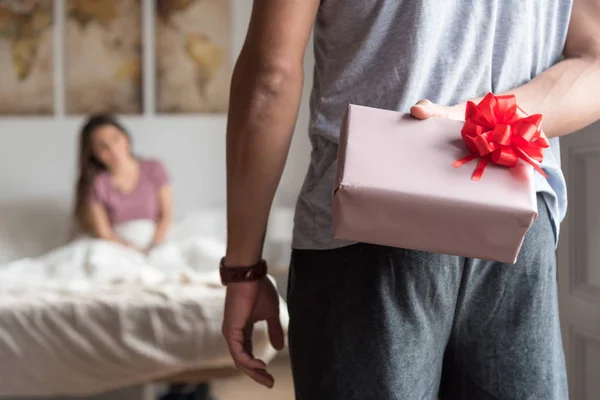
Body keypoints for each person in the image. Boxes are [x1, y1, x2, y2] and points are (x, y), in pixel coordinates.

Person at [221, 1, 600, 399]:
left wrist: (242, 269)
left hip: (370, 217)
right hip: (515, 215)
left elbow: (271, 78)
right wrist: (483, 123)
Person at [75, 115, 215, 400]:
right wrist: (128, 249)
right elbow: (104, 232)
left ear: (126, 138)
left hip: (155, 238)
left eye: (115, 139)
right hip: (118, 245)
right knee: (95, 265)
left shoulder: (153, 169)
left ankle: (188, 379)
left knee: (202, 256)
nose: (112, 149)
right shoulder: (97, 184)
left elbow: (166, 215)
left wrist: (153, 245)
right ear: (93, 154)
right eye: (102, 146)